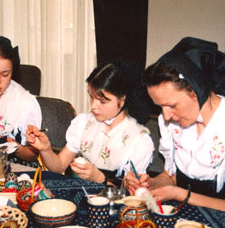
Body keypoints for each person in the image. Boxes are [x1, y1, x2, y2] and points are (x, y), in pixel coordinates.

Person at [125, 37, 225, 211]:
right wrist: (150, 183)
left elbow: (177, 191)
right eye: (160, 107)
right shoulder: (172, 123)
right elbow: (171, 177)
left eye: (171, 105)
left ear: (196, 92)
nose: (166, 115)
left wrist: (180, 194)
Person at [26, 58, 154, 186]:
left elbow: (132, 196)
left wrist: (99, 178)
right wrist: (46, 149)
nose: (93, 106)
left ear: (123, 99)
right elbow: (59, 167)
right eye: (91, 97)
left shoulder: (138, 140)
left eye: (103, 101)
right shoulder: (85, 123)